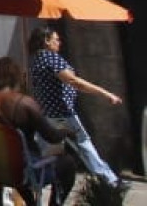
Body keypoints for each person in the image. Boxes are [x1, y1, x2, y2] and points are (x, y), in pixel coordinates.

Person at [28, 24, 124, 191]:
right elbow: (74, 81)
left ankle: (40, 185)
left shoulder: (35, 60)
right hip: (62, 114)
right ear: (46, 41)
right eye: (56, 39)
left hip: (48, 114)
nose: (59, 42)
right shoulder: (50, 58)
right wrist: (105, 93)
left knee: (49, 152)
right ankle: (110, 181)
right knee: (84, 145)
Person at [0, 56, 73, 206]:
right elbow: (52, 137)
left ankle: (31, 203)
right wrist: (66, 131)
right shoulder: (25, 103)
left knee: (16, 158)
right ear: (16, 78)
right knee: (68, 163)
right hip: (22, 172)